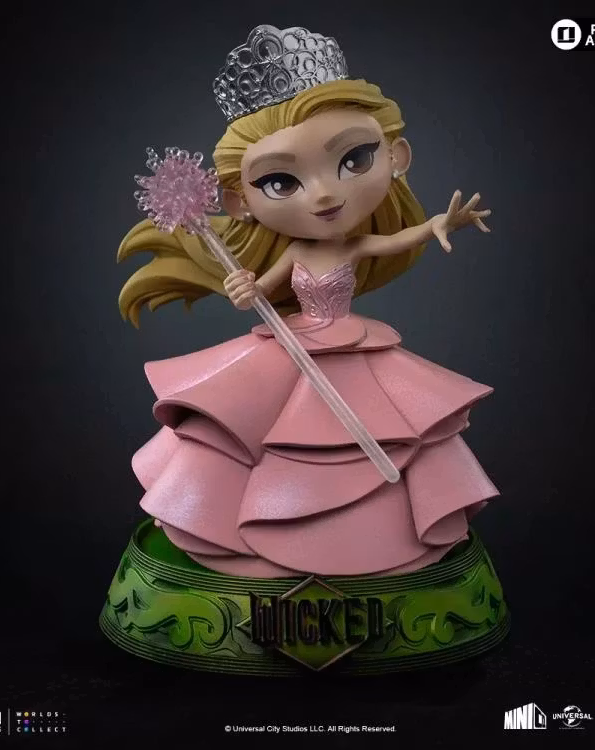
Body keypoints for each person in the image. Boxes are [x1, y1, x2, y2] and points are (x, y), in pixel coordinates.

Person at [117, 25, 498, 579]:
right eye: (280, 182)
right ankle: (243, 528)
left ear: (397, 156)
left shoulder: (354, 243)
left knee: (378, 429)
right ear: (240, 202)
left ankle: (374, 540)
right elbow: (260, 289)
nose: (323, 194)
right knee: (262, 431)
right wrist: (244, 288)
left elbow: (397, 240)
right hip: (292, 342)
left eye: (353, 159)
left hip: (350, 345)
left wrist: (440, 222)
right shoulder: (295, 250)